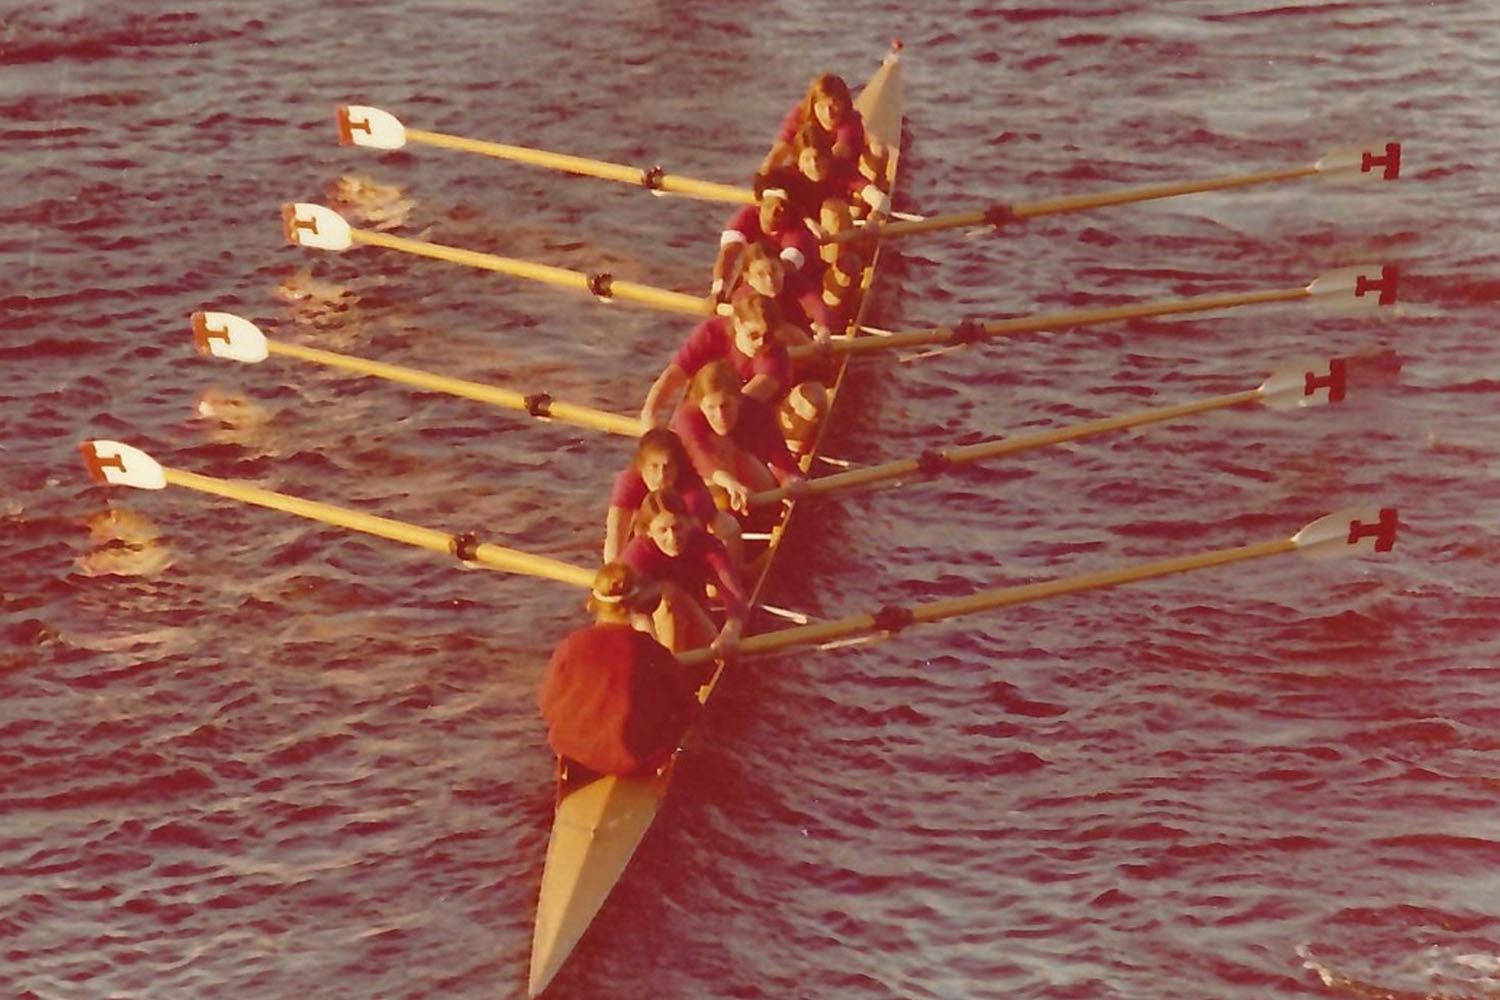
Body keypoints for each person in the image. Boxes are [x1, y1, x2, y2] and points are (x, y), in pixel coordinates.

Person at [538, 562, 699, 777]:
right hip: (638, 759)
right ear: (635, 603)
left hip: (575, 754)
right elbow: (689, 708)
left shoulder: (571, 644)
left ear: (593, 603)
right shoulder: (653, 650)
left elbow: (546, 704)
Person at [639, 289, 791, 428]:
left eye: (768, 336)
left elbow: (736, 405)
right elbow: (674, 375)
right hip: (715, 409)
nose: (761, 343)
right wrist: (649, 415)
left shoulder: (776, 353)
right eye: (753, 335)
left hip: (750, 420)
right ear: (737, 323)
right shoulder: (711, 332)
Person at [621, 489, 747, 655]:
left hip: (700, 630)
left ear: (689, 522)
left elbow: (734, 595)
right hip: (653, 636)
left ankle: (669, 670)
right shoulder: (635, 556)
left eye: (677, 527)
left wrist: (731, 630)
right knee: (665, 599)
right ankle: (665, 666)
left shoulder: (706, 545)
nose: (673, 538)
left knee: (670, 596)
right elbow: (625, 613)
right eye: (663, 530)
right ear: (648, 532)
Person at [671, 360, 805, 515]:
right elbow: (701, 457)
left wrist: (791, 481)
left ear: (739, 400)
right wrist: (731, 484)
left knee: (740, 458)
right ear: (700, 405)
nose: (720, 415)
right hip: (702, 487)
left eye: (725, 405)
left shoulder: (758, 411)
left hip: (743, 485)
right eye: (711, 408)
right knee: (724, 449)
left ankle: (768, 514)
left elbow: (781, 458)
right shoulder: (686, 418)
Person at [603, 428, 741, 566]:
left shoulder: (693, 493)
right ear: (641, 466)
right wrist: (613, 572)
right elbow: (615, 532)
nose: (660, 477)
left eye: (667, 467)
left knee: (729, 526)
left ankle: (731, 572)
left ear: (677, 467)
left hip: (686, 536)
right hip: (656, 532)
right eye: (654, 467)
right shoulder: (628, 481)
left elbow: (685, 544)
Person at [709, 181, 817, 306]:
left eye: (783, 207)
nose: (775, 212)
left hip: (801, 284)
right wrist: (718, 290)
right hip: (763, 277)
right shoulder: (745, 217)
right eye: (770, 205)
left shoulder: (798, 232)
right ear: (759, 205)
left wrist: (748, 288)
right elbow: (728, 253)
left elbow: (784, 269)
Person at [761, 73, 867, 189]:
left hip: (840, 178)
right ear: (812, 105)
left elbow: (838, 154)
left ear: (844, 104)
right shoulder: (799, 116)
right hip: (805, 172)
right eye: (822, 106)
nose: (828, 113)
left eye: (834, 104)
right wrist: (764, 181)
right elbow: (778, 152)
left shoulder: (851, 121)